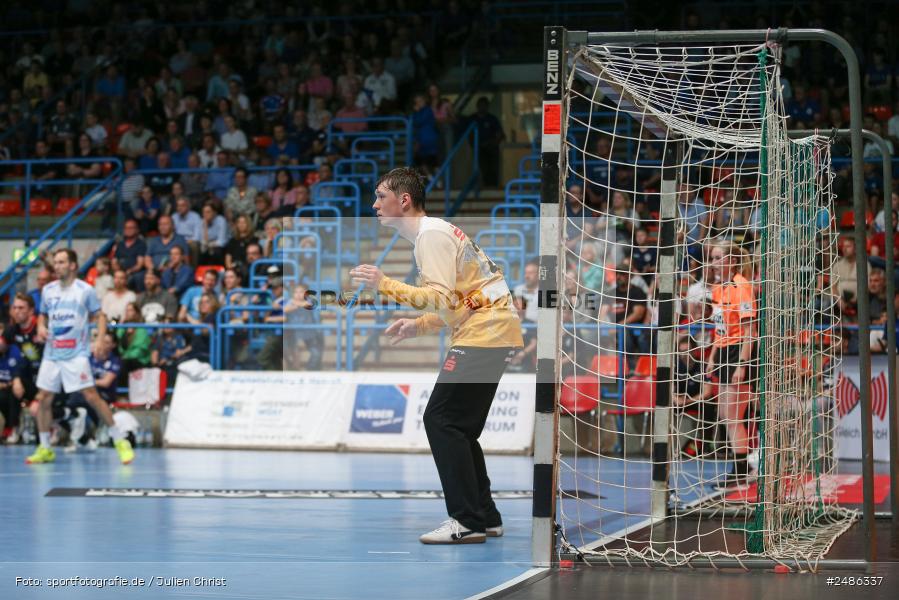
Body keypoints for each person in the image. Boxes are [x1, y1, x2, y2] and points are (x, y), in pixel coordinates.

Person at [350, 167, 522, 544]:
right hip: (492, 329)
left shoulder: (430, 236)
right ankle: (485, 517)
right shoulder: (436, 233)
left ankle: (467, 520)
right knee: (460, 428)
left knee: (441, 419)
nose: (375, 204)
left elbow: (440, 297)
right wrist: (420, 325)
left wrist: (385, 284)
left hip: (485, 331)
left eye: (381, 196)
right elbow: (455, 301)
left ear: (404, 200)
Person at [25, 249, 134, 464]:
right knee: (44, 398)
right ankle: (45, 447)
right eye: (55, 262)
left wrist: (100, 339)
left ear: (73, 265)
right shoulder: (48, 290)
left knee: (91, 395)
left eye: (62, 262)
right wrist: (39, 327)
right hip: (52, 353)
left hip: (76, 353)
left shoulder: (85, 290)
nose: (57, 266)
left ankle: (120, 440)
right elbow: (42, 315)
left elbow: (100, 315)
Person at [707, 241, 757, 485]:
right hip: (724, 352)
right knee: (728, 416)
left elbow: (750, 330)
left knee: (733, 415)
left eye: (718, 258)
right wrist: (711, 356)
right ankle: (743, 467)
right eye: (712, 257)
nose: (713, 263)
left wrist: (742, 365)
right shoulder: (717, 289)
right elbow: (720, 328)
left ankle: (741, 471)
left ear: (732, 261)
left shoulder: (742, 285)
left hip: (741, 352)